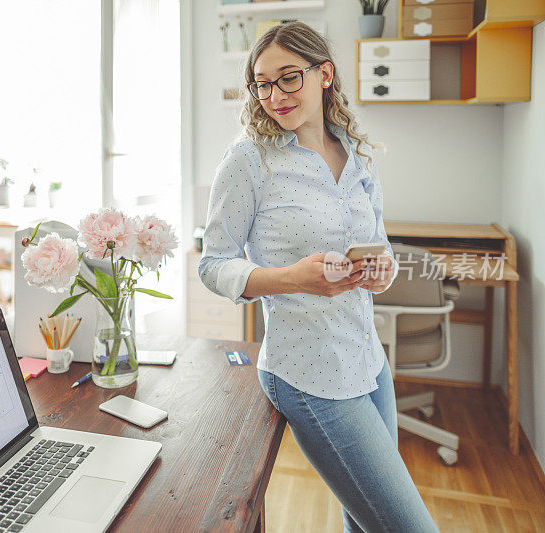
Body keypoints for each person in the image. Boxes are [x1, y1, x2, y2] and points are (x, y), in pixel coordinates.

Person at [198, 22, 439, 533]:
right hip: (308, 375)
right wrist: (292, 278)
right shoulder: (249, 160)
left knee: (365, 522)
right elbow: (213, 264)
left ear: (324, 73)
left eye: (288, 78)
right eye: (262, 84)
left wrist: (381, 270)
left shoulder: (358, 153)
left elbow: (382, 244)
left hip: (369, 363)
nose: (274, 96)